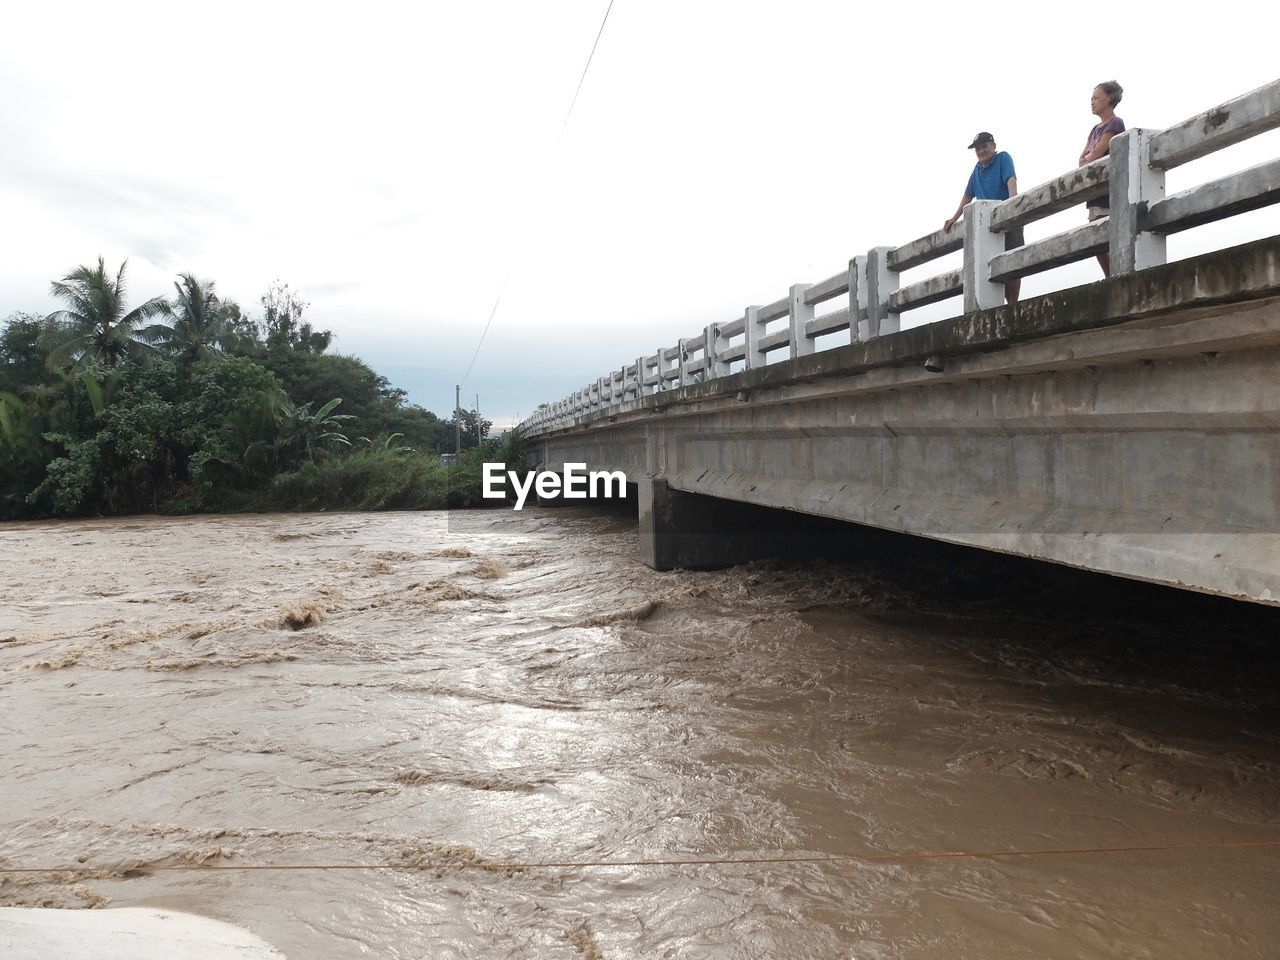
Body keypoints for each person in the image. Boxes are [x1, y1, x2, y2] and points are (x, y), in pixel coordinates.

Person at [943, 132, 1021, 304]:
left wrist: (1012, 203)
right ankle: (998, 305)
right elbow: (967, 196)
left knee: (1013, 263)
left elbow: (1011, 180)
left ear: (993, 146)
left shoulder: (1003, 158)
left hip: (1007, 219)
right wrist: (954, 217)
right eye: (978, 148)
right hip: (987, 228)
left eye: (984, 146)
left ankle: (1013, 304)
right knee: (991, 267)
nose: (981, 151)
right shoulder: (976, 170)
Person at [1079, 80, 1125, 277]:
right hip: (1095, 192)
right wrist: (1088, 158)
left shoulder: (1116, 123)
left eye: (1096, 98)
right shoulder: (1094, 129)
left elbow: (1095, 154)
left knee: (1110, 234)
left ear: (1109, 99)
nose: (1092, 101)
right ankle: (1109, 275)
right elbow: (1081, 160)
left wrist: (1088, 158)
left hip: (1109, 188)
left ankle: (1116, 273)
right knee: (1095, 237)